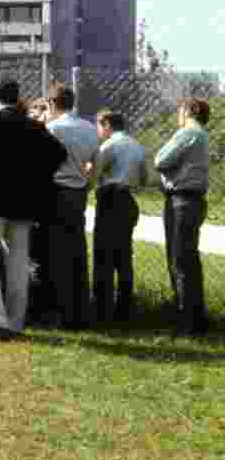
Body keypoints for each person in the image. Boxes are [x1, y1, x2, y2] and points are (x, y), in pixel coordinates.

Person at [0, 79, 67, 340]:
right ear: (18, 97)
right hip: (23, 203)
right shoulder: (33, 126)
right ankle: (16, 322)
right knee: (18, 264)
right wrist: (36, 178)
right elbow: (58, 154)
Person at [42, 83, 100, 330]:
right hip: (78, 193)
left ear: (53, 104)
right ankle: (80, 311)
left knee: (56, 254)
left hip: (55, 191)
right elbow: (94, 164)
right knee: (77, 251)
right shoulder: (89, 128)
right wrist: (87, 184)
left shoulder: (51, 128)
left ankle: (61, 313)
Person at [155, 97, 212, 336]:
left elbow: (160, 160)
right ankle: (196, 317)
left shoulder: (187, 133)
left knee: (179, 261)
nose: (178, 115)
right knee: (190, 260)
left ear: (189, 111)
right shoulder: (202, 135)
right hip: (194, 200)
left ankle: (186, 322)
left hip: (181, 200)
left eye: (181, 110)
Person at [91, 109, 146, 323]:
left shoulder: (109, 145)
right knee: (123, 256)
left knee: (103, 256)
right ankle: (124, 310)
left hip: (110, 199)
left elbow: (95, 173)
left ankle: (102, 309)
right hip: (128, 201)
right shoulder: (138, 146)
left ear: (106, 125)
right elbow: (143, 178)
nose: (99, 132)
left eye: (99, 127)